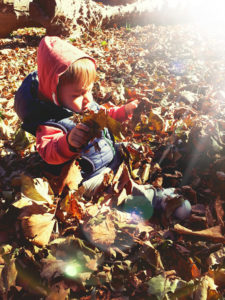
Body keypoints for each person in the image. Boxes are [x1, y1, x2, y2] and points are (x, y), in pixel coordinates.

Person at [14, 36, 191, 222]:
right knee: (112, 190)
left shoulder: (84, 105)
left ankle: (146, 192)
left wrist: (123, 112)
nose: (87, 98)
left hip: (109, 158)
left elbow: (105, 116)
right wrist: (67, 142)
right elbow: (48, 151)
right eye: (77, 94)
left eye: (88, 90)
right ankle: (154, 201)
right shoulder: (49, 123)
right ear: (54, 93)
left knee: (127, 156)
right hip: (88, 177)